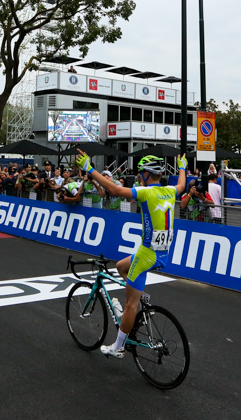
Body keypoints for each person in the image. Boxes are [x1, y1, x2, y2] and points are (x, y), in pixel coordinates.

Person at [78, 149, 186, 358]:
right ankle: (139, 296)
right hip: (162, 253)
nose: (138, 177)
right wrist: (182, 167)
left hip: (147, 254)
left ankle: (118, 346)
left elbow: (114, 191)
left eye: (139, 173)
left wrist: (89, 169)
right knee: (120, 266)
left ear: (146, 174)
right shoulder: (171, 191)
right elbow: (182, 185)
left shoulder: (146, 193)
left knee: (129, 305)